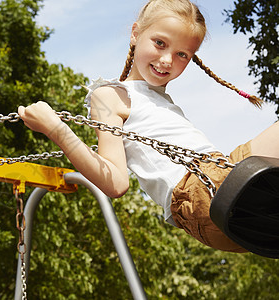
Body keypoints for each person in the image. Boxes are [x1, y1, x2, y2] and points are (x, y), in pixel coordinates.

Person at [18, 0, 279, 253]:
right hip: (203, 193)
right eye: (160, 43)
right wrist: (55, 128)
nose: (167, 60)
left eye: (181, 54)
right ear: (135, 33)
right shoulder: (111, 95)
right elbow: (116, 182)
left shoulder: (159, 101)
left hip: (235, 214)